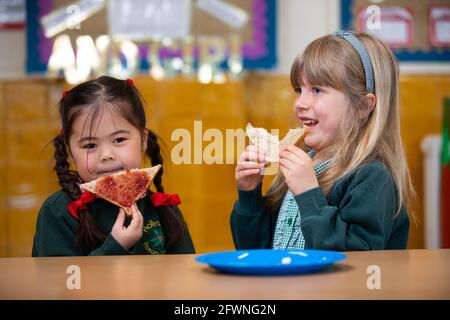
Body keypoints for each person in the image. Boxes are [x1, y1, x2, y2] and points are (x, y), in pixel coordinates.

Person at [231, 31, 415, 251]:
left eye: (317, 90)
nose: (299, 103)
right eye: (299, 90)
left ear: (362, 106)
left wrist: (309, 195)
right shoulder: (299, 165)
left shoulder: (372, 177)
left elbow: (356, 261)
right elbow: (255, 251)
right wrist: (249, 194)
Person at [32, 76, 195, 256]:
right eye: (90, 145)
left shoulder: (164, 208)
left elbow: (184, 274)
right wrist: (116, 247)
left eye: (119, 140)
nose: (107, 155)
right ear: (70, 152)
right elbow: (62, 282)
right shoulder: (57, 212)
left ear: (143, 140)